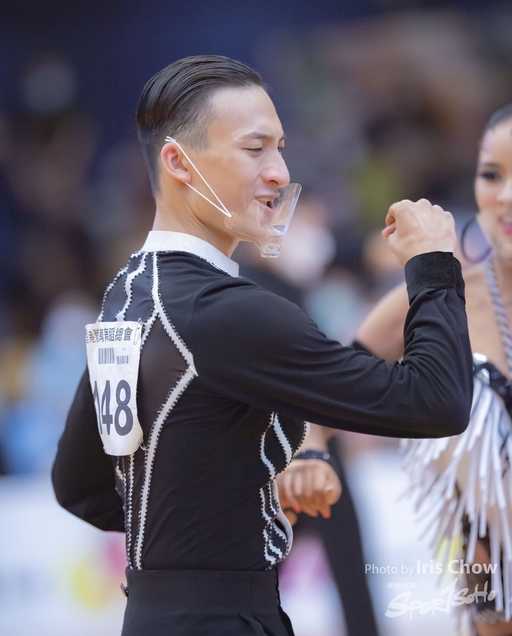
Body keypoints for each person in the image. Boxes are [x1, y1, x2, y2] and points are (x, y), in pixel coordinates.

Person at [51, 55, 473, 636]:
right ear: (178, 162)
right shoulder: (225, 310)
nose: (278, 172)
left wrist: (209, 526)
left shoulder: (127, 295)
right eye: (255, 149)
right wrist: (433, 265)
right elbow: (436, 400)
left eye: (280, 147)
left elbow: (79, 486)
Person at [348, 103, 512, 636]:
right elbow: (329, 386)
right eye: (492, 175)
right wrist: (309, 455)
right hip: (493, 585)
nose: (505, 195)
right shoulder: (441, 294)